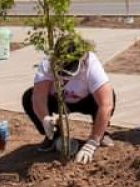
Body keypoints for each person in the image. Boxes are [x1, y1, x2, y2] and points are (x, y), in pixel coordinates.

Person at [22, 33, 116, 164]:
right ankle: (53, 136)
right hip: (58, 101)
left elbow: (106, 104)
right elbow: (39, 97)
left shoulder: (91, 64)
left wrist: (92, 143)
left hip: (85, 101)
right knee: (28, 97)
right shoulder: (47, 63)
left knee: (109, 95)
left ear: (82, 57)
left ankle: (100, 133)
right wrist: (45, 118)